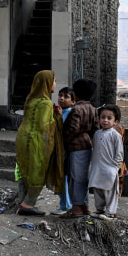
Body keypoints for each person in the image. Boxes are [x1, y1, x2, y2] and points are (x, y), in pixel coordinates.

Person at [15, 70, 64, 215]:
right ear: (47, 83)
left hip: (23, 139)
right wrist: (58, 117)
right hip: (37, 141)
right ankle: (28, 204)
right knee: (38, 171)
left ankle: (22, 200)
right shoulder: (46, 103)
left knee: (26, 169)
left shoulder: (30, 100)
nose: (55, 84)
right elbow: (44, 125)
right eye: (54, 81)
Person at [61, 78, 99, 218]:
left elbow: (72, 129)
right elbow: (95, 129)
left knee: (75, 178)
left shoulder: (76, 109)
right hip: (87, 146)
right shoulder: (93, 109)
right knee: (83, 178)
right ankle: (85, 206)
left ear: (75, 94)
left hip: (76, 148)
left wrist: (64, 139)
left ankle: (76, 208)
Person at [88, 105, 124, 221]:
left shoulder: (116, 135)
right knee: (98, 189)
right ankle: (100, 209)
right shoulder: (97, 134)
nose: (105, 120)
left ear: (115, 121)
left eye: (109, 118)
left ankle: (111, 212)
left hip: (109, 168)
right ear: (98, 119)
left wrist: (115, 167)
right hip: (97, 167)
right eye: (103, 117)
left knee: (110, 191)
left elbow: (119, 153)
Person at [51, 87, 75, 215]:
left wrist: (59, 118)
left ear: (72, 101)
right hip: (58, 150)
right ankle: (64, 204)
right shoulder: (60, 111)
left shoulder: (69, 114)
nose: (61, 98)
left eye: (66, 96)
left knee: (63, 178)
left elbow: (64, 131)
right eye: (60, 95)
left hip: (64, 151)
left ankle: (66, 206)